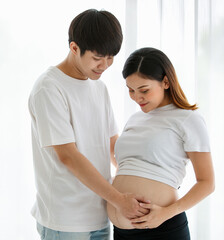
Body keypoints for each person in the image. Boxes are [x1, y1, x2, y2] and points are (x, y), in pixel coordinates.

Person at [28, 9, 150, 240]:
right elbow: (68, 156)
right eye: (97, 58)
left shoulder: (99, 88)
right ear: (74, 48)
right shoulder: (49, 88)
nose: (104, 65)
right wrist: (119, 200)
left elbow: (113, 146)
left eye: (111, 57)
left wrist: (142, 181)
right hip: (65, 220)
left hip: (101, 214)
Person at [107, 47, 215, 240]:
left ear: (165, 81)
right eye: (131, 90)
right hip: (122, 232)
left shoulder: (188, 119)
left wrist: (165, 213)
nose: (136, 97)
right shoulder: (135, 119)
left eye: (144, 90)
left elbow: (207, 183)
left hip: (162, 228)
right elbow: (129, 164)